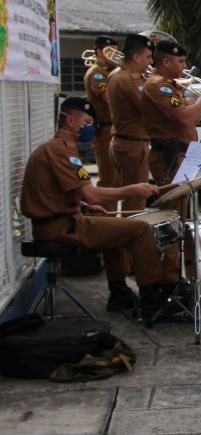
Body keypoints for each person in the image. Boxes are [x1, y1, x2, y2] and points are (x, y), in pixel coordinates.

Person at [21, 97, 165, 314]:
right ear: (70, 121)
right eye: (87, 121)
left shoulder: (61, 148)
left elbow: (59, 194)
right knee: (140, 229)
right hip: (58, 226)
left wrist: (83, 208)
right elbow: (92, 193)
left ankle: (119, 293)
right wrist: (134, 189)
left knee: (112, 228)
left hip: (62, 219)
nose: (92, 127)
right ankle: (151, 299)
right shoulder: (60, 151)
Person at [141, 40, 201, 296]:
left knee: (181, 217)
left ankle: (176, 275)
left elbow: (185, 108)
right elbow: (184, 117)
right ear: (166, 62)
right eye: (181, 62)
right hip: (170, 158)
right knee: (172, 219)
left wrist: (199, 99)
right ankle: (169, 281)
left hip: (183, 156)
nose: (185, 67)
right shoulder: (157, 85)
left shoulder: (169, 85)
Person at [83, 35, 128, 289]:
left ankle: (121, 245)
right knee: (109, 187)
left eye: (116, 51)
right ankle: (109, 241)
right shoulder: (99, 74)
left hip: (118, 131)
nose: (114, 55)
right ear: (99, 52)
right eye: (109, 51)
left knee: (123, 186)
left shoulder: (112, 72)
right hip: (106, 132)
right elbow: (112, 101)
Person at [109, 34, 154, 215]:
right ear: (136, 57)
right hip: (133, 145)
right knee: (135, 203)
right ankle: (132, 241)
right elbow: (151, 108)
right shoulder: (130, 79)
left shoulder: (117, 75)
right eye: (148, 57)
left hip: (125, 142)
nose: (151, 62)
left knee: (131, 199)